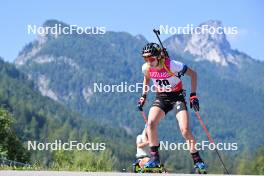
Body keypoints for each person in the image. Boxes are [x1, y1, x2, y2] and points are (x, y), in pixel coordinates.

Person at [138, 43, 206, 172]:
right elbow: (146, 79)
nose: (148, 62)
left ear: (158, 57)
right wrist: (143, 96)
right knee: (151, 123)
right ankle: (154, 158)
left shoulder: (172, 64)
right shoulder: (146, 68)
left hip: (177, 98)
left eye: (151, 59)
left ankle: (197, 160)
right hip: (161, 97)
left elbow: (193, 74)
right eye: (145, 59)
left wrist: (193, 95)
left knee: (185, 130)